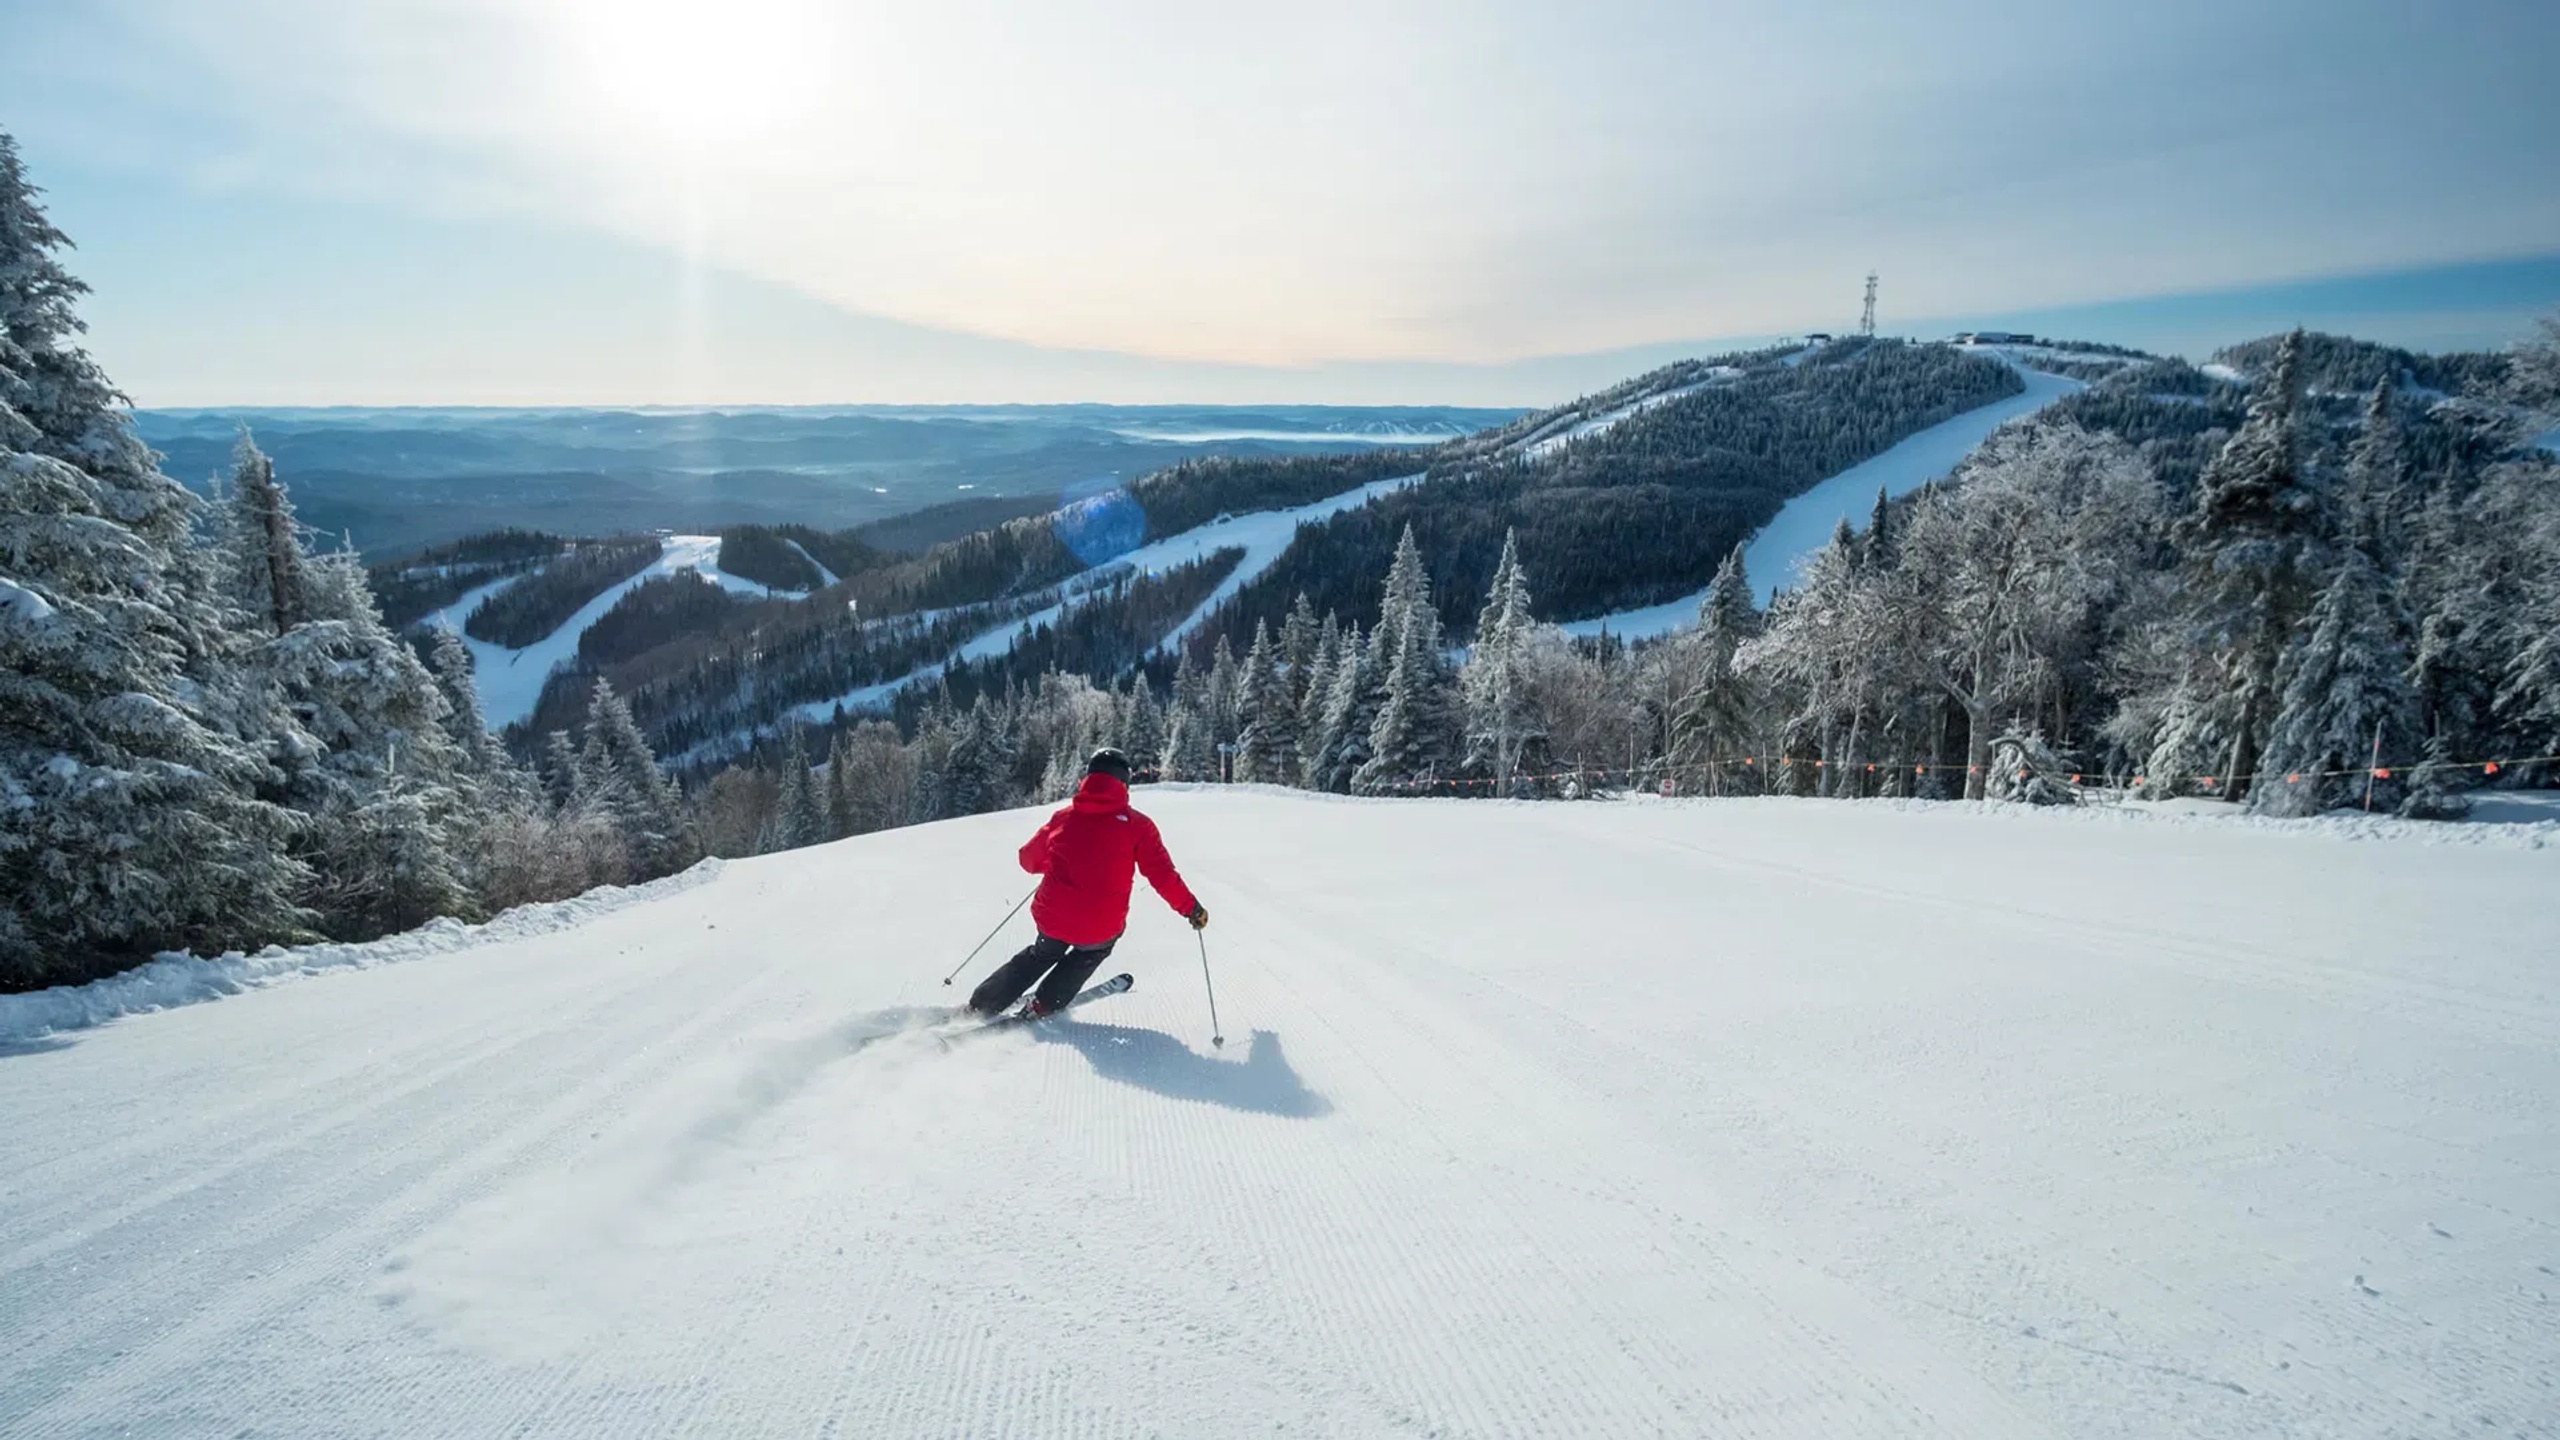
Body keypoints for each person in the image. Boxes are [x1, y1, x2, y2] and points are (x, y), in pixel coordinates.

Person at [967, 747, 1208, 1019]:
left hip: (1052, 917)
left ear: (1088, 778)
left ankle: (982, 1004)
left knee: (1041, 954)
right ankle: (1045, 1003)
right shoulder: (1139, 826)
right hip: (1101, 925)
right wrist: (1192, 909)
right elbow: (1162, 875)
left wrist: (1057, 862)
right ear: (1124, 783)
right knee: (1089, 953)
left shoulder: (1063, 817)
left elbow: (1028, 860)